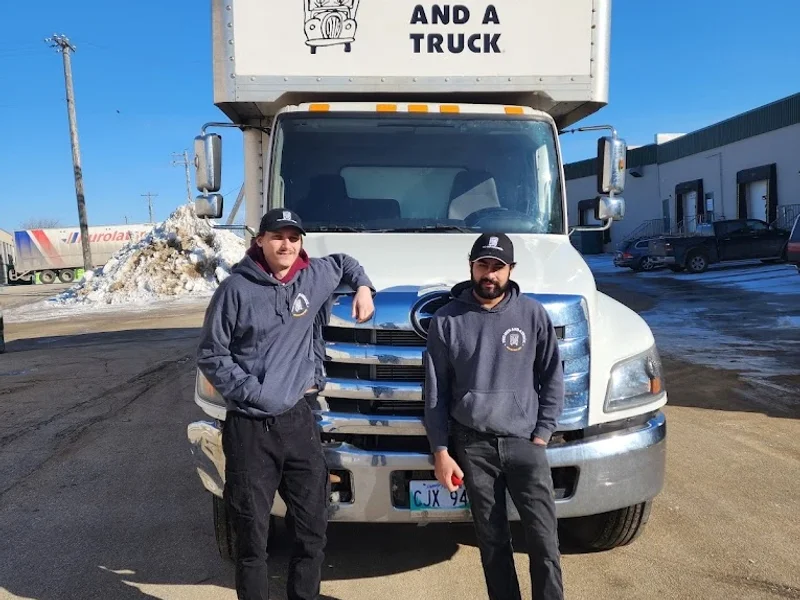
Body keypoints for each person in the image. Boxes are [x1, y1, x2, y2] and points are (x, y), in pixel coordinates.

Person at [197, 208, 375, 600]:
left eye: (294, 238)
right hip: (249, 428)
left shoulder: (311, 276)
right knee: (252, 540)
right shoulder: (235, 290)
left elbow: (344, 263)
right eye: (277, 236)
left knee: (312, 531)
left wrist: (363, 286)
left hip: (298, 420)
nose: (286, 245)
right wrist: (253, 392)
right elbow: (211, 355)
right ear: (259, 241)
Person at [423, 232, 565, 600]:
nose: (490, 274)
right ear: (471, 266)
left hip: (525, 442)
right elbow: (435, 392)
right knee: (492, 543)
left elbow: (552, 376)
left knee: (544, 542)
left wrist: (543, 434)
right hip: (473, 445)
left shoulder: (532, 315)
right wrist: (441, 450)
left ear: (510, 270)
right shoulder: (446, 320)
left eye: (498, 267)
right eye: (483, 265)